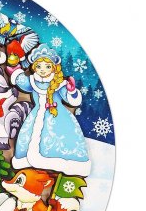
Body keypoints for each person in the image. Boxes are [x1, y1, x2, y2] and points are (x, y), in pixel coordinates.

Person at [7, 44, 91, 176]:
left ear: (53, 68)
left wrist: (71, 91)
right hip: (36, 115)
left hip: (58, 115)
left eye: (47, 66)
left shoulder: (59, 83)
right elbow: (22, 82)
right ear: (34, 67)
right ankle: (27, 163)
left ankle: (67, 165)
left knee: (60, 138)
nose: (43, 70)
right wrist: (15, 71)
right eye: (39, 66)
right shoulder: (33, 81)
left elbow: (70, 98)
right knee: (28, 137)